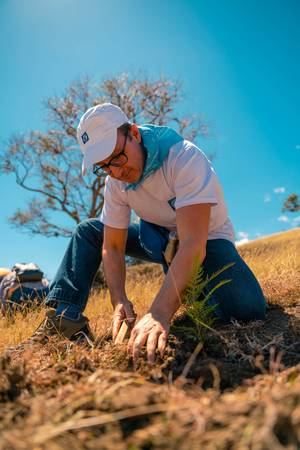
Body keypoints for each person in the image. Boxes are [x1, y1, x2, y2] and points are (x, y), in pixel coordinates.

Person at [16, 103, 266, 364]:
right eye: (104, 166)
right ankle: (65, 319)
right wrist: (118, 300)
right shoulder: (115, 182)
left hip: (206, 239)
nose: (115, 171)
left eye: (117, 157)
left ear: (134, 134)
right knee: (88, 231)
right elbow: (112, 246)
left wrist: (159, 313)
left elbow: (193, 243)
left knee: (247, 309)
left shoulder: (184, 158)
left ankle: (192, 291)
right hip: (156, 239)